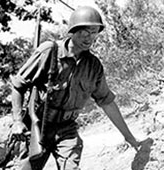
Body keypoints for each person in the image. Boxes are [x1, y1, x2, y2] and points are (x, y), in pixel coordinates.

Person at [10, 6, 141, 170]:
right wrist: (17, 122)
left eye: (94, 32)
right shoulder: (49, 51)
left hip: (67, 130)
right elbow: (18, 85)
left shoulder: (94, 66)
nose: (90, 37)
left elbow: (107, 102)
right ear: (73, 31)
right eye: (85, 31)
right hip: (39, 126)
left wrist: (129, 138)